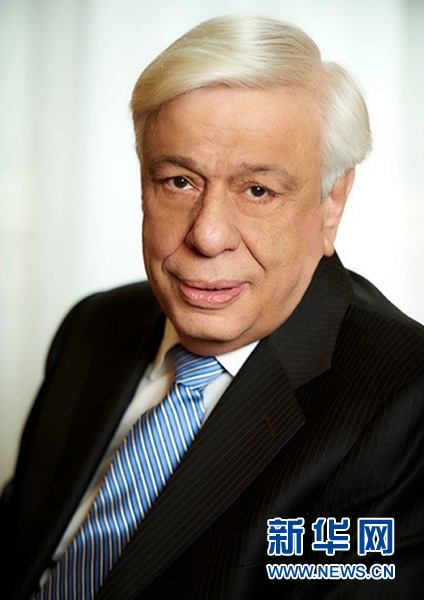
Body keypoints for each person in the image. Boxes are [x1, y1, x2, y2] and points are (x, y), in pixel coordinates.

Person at [1, 14, 423, 600]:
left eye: (258, 190)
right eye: (179, 181)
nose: (208, 235)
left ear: (332, 202)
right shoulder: (93, 327)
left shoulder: (405, 400)